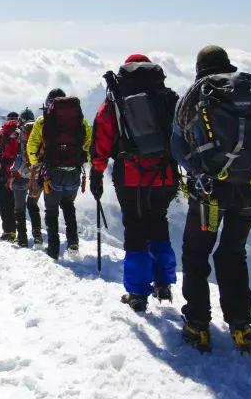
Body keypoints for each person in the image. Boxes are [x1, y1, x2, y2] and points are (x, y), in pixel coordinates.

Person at [172, 45, 251, 354]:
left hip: (210, 193)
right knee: (233, 253)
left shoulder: (196, 95)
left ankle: (198, 326)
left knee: (197, 254)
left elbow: (177, 144)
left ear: (199, 67)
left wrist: (196, 171)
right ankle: (241, 326)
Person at [90, 54, 179, 312]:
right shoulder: (167, 97)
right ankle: (163, 283)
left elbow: (101, 142)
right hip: (164, 175)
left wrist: (97, 174)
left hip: (130, 176)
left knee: (135, 230)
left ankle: (138, 293)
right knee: (159, 224)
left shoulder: (114, 101)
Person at [27, 89, 92, 259]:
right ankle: (73, 244)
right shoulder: (80, 120)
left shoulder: (43, 121)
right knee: (69, 207)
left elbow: (32, 146)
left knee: (51, 211)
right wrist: (83, 160)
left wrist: (36, 165)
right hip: (74, 171)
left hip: (51, 172)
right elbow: (89, 142)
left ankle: (54, 250)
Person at [9, 108, 42, 247]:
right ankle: (38, 236)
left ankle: (22, 239)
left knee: (19, 208)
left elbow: (14, 154)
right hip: (37, 174)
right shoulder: (39, 130)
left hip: (21, 174)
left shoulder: (18, 133)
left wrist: (13, 170)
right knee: (33, 205)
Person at [0, 111, 22, 241]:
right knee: (17, 204)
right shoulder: (22, 134)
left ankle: (9, 232)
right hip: (19, 174)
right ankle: (21, 233)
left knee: (4, 204)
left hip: (3, 174)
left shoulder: (0, 135)